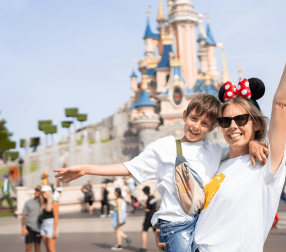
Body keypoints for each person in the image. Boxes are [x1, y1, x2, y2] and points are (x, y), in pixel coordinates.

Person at [155, 9, 286, 252]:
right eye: (225, 121)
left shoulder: (265, 164)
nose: (232, 126)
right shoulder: (218, 163)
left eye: (241, 119)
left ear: (255, 122)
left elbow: (282, 105)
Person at [54, 94, 268, 252]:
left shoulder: (214, 151)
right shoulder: (164, 147)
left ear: (212, 128)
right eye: (193, 119)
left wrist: (253, 144)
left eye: (204, 124)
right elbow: (128, 168)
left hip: (201, 223)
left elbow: (236, 149)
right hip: (175, 225)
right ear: (184, 116)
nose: (196, 126)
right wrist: (85, 169)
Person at [22, 185, 42, 252]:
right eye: (36, 190)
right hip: (29, 227)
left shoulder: (43, 203)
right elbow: (24, 215)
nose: (36, 192)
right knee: (28, 247)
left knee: (37, 247)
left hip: (39, 228)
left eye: (38, 191)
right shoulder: (28, 202)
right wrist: (23, 227)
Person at [137, 186, 157, 252]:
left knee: (144, 231)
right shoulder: (153, 197)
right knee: (156, 232)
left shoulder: (148, 198)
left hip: (149, 217)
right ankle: (162, 247)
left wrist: (142, 208)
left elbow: (148, 209)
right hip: (154, 216)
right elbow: (152, 206)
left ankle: (143, 247)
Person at [40, 185, 59, 252]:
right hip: (43, 226)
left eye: (45, 192)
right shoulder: (44, 204)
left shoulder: (54, 203)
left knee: (51, 249)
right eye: (42, 193)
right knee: (47, 249)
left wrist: (55, 230)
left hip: (51, 226)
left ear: (49, 193)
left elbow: (56, 217)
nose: (43, 194)